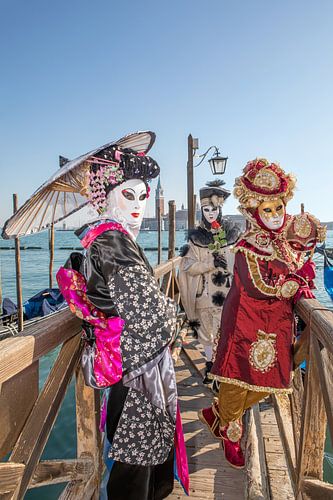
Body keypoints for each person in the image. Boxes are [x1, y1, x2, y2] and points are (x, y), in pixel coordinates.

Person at [57, 143, 189, 499]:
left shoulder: (103, 239)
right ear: (105, 198)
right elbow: (150, 316)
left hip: (128, 367)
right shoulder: (112, 241)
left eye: (142, 197)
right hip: (137, 376)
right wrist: (174, 319)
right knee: (135, 466)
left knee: (138, 460)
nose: (136, 206)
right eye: (127, 195)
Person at [198, 158, 319, 469]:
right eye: (268, 210)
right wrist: (289, 285)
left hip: (275, 324)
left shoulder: (282, 242)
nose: (277, 216)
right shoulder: (248, 245)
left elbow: (296, 266)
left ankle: (218, 414)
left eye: (279, 208)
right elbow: (257, 286)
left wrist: (303, 260)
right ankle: (229, 431)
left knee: (278, 375)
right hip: (245, 323)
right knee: (238, 377)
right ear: (254, 211)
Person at [179, 181, 240, 383]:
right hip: (205, 295)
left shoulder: (233, 233)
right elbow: (188, 267)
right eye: (206, 209)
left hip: (229, 294)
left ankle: (225, 369)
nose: (210, 213)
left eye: (214, 209)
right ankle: (210, 366)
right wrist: (210, 262)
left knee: (227, 332)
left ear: (220, 208)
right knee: (207, 334)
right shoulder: (195, 238)